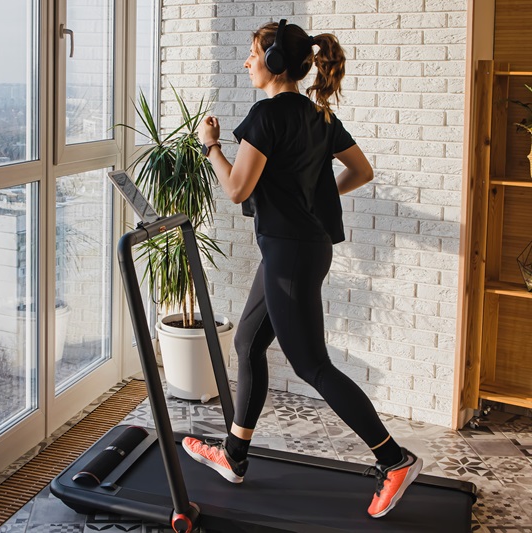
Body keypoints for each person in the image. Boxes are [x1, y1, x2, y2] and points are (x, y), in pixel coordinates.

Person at [180, 19, 423, 519]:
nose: (247, 62)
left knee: (312, 365)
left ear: (272, 63)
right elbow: (361, 171)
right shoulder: (318, 114)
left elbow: (237, 190)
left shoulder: (266, 116)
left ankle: (394, 459)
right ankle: (234, 455)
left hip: (289, 253)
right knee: (248, 342)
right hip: (298, 250)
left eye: (252, 54)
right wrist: (312, 196)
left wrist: (211, 146)